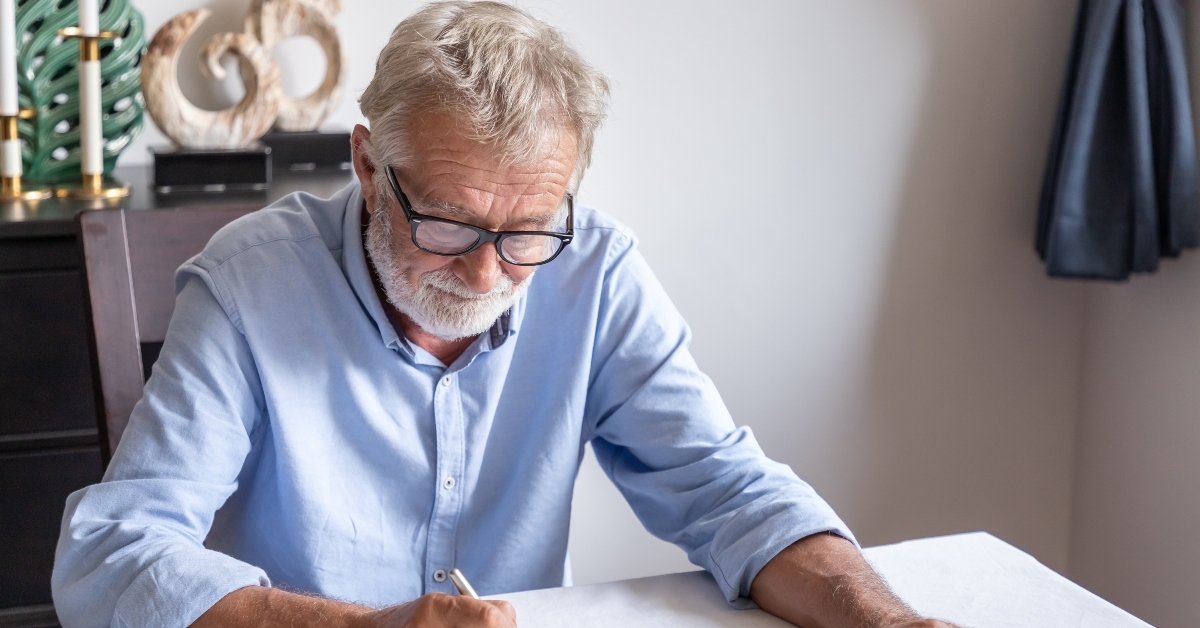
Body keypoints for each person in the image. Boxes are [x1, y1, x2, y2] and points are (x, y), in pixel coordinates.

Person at [52, 3, 955, 627]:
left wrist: (888, 621)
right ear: (367, 166)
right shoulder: (249, 285)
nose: (488, 272)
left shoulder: (597, 272)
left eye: (528, 230)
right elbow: (112, 553)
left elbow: (732, 495)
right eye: (447, 223)